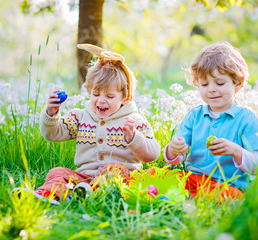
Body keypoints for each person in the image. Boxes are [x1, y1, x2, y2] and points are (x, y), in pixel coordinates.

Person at [13, 44, 160, 204]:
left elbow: (152, 154)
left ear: (125, 97)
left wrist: (134, 138)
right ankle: (50, 196)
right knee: (57, 172)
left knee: (115, 170)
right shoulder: (80, 117)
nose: (101, 100)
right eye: (95, 94)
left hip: (121, 179)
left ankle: (93, 194)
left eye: (110, 96)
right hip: (84, 178)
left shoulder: (134, 122)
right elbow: (52, 134)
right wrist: (51, 113)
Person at [164, 42, 258, 200]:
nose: (211, 89)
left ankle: (187, 200)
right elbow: (174, 157)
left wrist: (236, 151)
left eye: (219, 83)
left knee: (230, 198)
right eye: (204, 84)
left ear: (237, 83)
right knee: (164, 177)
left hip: (228, 186)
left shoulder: (246, 119)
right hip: (194, 180)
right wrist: (173, 148)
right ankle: (183, 199)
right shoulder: (194, 116)